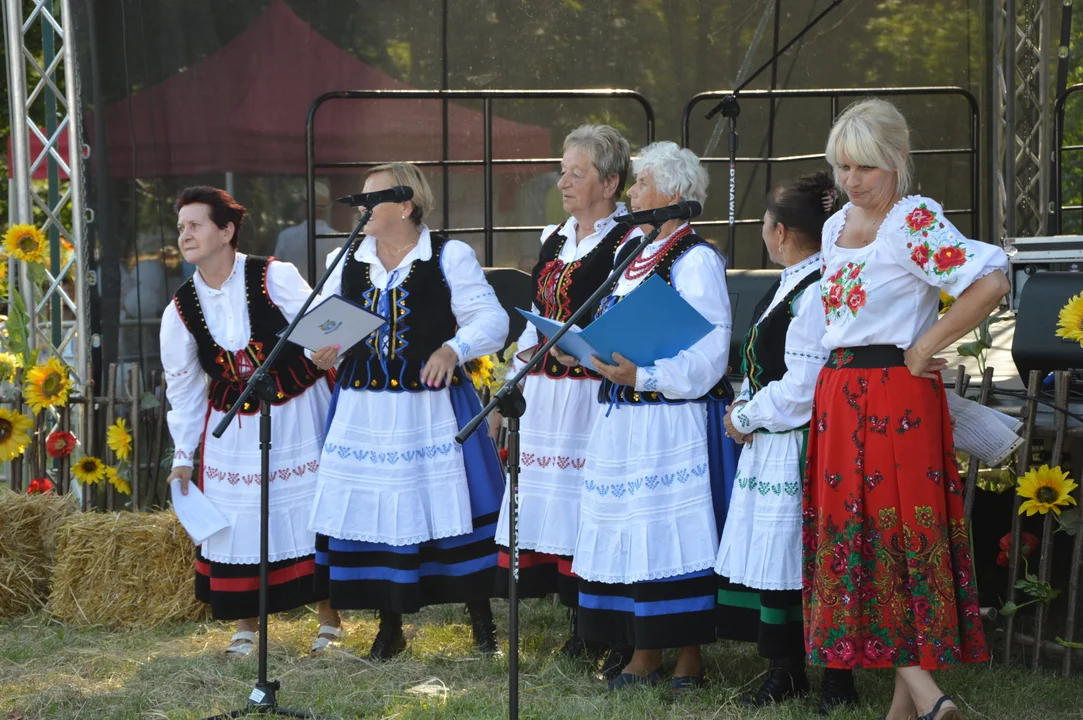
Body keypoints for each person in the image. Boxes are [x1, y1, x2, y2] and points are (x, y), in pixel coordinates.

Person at [804, 99, 1007, 720]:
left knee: (896, 533)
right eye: (842, 166)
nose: (851, 180)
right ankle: (910, 706)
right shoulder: (835, 227)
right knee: (862, 535)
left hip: (895, 393)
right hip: (839, 394)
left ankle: (927, 693)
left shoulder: (912, 220)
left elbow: (991, 279)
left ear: (898, 161)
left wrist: (924, 345)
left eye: (865, 165)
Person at [307, 162, 509, 659]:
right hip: (364, 408)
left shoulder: (448, 256)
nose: (360, 209)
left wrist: (454, 349)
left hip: (431, 405)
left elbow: (493, 320)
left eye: (371, 199)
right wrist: (321, 349)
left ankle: (480, 620)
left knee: (453, 508)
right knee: (381, 513)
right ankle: (389, 625)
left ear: (406, 205)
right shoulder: (346, 258)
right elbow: (322, 331)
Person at [560, 141, 739, 692]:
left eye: (641, 184)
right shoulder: (630, 253)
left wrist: (645, 377)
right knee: (635, 530)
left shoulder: (696, 258)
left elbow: (710, 352)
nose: (633, 191)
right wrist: (583, 350)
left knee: (669, 532)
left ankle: (683, 656)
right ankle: (644, 647)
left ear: (674, 194)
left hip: (668, 418)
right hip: (625, 417)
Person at [161, 186, 342, 657]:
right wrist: (183, 456)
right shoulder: (180, 309)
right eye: (181, 227)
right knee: (241, 519)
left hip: (297, 409)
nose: (185, 234)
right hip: (233, 425)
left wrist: (324, 350)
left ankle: (329, 618)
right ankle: (247, 623)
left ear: (226, 231)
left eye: (195, 224)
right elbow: (183, 388)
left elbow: (325, 323)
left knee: (307, 509)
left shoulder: (272, 276)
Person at [494, 125, 638, 670]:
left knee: (589, 505)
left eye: (577, 173)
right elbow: (536, 313)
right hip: (549, 393)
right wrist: (517, 373)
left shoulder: (627, 240)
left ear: (611, 181)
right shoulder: (554, 237)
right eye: (563, 171)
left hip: (591, 393)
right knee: (557, 507)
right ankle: (580, 622)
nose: (563, 182)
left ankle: (609, 625)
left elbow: (620, 318)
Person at [715, 172, 842, 707]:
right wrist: (745, 406)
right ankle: (786, 668)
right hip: (773, 440)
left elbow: (804, 383)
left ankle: (836, 677)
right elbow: (763, 362)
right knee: (779, 557)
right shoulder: (791, 280)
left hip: (797, 443)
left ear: (781, 230)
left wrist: (748, 414)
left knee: (807, 557)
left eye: (765, 222)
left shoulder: (814, 290)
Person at [273, 179, 342, 282]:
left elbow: (275, 270)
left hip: (291, 296)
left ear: (303, 206)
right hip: (326, 297)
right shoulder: (338, 238)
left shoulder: (286, 236)